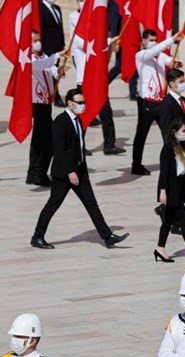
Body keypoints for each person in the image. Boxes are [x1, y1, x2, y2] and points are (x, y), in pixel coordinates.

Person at [31, 88, 130, 249]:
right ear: (70, 103)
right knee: (53, 204)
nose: (83, 105)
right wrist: (70, 172)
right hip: (64, 174)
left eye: (84, 102)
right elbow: (59, 150)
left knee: (92, 204)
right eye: (80, 102)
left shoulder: (78, 120)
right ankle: (37, 236)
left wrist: (80, 168)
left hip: (80, 171)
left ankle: (107, 236)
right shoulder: (60, 121)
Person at [69, 2, 125, 156]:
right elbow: (83, 41)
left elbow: (98, 40)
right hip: (84, 79)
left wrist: (111, 40)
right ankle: (79, 145)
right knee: (83, 114)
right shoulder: (75, 17)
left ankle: (109, 145)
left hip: (97, 79)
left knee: (106, 112)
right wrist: (106, 41)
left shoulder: (95, 19)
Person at [132, 29, 182, 176]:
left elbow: (169, 61)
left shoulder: (160, 56)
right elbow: (152, 51)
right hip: (146, 102)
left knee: (169, 132)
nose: (154, 42)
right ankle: (136, 165)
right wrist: (172, 39)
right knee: (142, 133)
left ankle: (173, 160)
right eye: (151, 40)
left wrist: (176, 63)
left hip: (161, 101)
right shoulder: (141, 56)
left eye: (155, 40)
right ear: (144, 41)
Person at [154, 119, 185, 263]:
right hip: (171, 188)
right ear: (174, 132)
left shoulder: (183, 147)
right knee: (184, 219)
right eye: (183, 131)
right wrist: (163, 191)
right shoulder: (168, 148)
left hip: (180, 187)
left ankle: (160, 248)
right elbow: (164, 171)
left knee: (168, 220)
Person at [25, 31, 60, 187]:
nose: (38, 43)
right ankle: (40, 173)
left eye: (39, 39)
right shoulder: (28, 59)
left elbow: (51, 69)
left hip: (46, 101)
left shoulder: (43, 56)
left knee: (38, 139)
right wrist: (57, 56)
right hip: (36, 102)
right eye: (35, 41)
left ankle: (33, 173)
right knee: (49, 140)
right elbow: (39, 66)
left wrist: (59, 71)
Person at [159, 69, 185, 158]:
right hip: (176, 150)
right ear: (171, 84)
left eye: (184, 81)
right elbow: (166, 130)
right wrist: (173, 151)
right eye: (180, 82)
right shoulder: (166, 103)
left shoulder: (184, 100)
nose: (183, 84)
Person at [39, 0, 66, 107]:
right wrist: (41, 49)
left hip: (57, 47)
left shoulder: (57, 8)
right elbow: (40, 29)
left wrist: (62, 44)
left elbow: (60, 28)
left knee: (55, 71)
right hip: (47, 48)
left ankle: (53, 94)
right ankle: (56, 96)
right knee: (50, 72)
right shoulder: (40, 8)